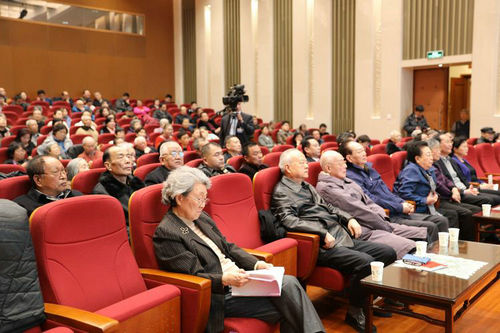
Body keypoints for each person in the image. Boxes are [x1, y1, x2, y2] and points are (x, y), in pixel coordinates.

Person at [153, 166, 325, 333]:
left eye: (205, 199)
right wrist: (225, 279)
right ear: (179, 198)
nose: (203, 205)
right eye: (199, 198)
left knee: (290, 290)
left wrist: (256, 265)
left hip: (241, 281)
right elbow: (194, 277)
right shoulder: (168, 232)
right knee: (291, 300)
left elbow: (227, 247)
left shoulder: (201, 218)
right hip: (219, 294)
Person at [271, 149, 396, 332]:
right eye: (301, 162)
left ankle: (364, 301)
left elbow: (328, 207)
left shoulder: (306, 186)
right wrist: (321, 233)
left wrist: (349, 218)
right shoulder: (282, 191)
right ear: (288, 168)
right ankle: (355, 312)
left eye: (306, 161)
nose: (307, 164)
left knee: (388, 253)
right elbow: (290, 221)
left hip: (339, 235)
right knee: (367, 263)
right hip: (320, 245)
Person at [317, 151, 427, 258]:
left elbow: (369, 201)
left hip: (378, 222)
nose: (345, 166)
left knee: (423, 234)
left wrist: (383, 218)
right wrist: (385, 226)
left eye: (344, 162)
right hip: (364, 230)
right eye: (341, 163)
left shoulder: (347, 180)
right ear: (328, 168)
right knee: (411, 246)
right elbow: (359, 210)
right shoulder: (327, 188)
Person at [341, 141, 444, 239]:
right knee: (430, 227)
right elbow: (371, 199)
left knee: (440, 221)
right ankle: (431, 257)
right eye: (359, 152)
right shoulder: (352, 177)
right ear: (349, 158)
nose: (364, 153)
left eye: (364, 150)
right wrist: (400, 207)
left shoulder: (370, 169)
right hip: (387, 215)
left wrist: (403, 203)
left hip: (398, 210)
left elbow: (387, 192)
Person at [393, 141, 459, 230]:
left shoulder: (428, 169)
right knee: (442, 220)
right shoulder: (411, 171)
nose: (431, 158)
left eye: (431, 154)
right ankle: (440, 243)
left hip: (429, 207)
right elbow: (403, 194)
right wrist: (425, 200)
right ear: (417, 159)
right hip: (415, 210)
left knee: (452, 214)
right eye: (428, 155)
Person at [434, 134, 500, 205]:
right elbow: (446, 182)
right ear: (438, 145)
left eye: (451, 142)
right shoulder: (438, 162)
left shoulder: (450, 160)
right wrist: (466, 190)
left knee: (497, 196)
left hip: (467, 188)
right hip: (457, 192)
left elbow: (462, 178)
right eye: (447, 142)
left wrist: (471, 187)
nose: (450, 145)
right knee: (491, 199)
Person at [14, 156, 82, 216]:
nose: (63, 176)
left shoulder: (77, 195)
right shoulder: (23, 207)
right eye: (56, 172)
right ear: (38, 180)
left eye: (63, 171)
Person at [93, 146, 145, 224]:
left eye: (128, 156)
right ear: (108, 166)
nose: (128, 161)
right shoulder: (102, 192)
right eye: (121, 157)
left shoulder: (135, 181)